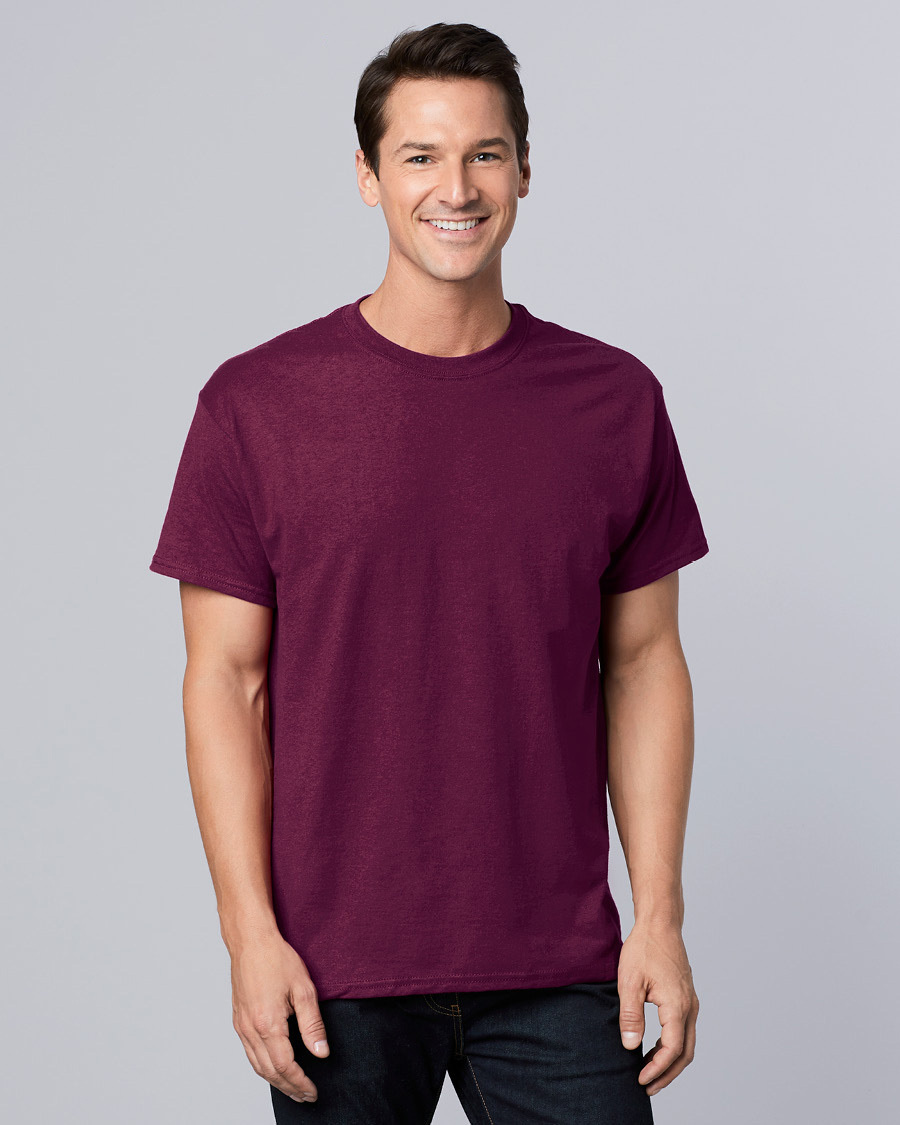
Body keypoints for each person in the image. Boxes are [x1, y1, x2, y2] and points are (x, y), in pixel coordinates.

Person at [149, 21, 709, 1124]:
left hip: (561, 962)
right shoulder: (255, 405)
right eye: (420, 156)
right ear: (368, 176)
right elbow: (225, 682)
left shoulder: (614, 402)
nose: (456, 188)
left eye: (485, 154)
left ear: (525, 171)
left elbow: (645, 664)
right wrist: (248, 935)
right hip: (333, 971)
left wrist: (659, 919)